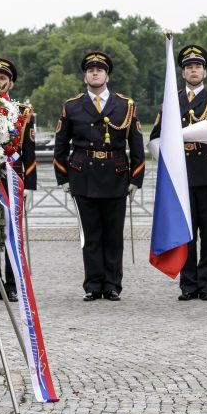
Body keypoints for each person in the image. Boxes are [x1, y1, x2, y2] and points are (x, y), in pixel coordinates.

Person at [53, 51, 145, 301]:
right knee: (90, 235)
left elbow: (136, 145)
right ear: (85, 76)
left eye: (100, 70)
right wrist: (62, 178)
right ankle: (93, 285)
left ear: (107, 75)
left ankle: (113, 284)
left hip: (116, 174)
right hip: (84, 175)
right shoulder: (72, 106)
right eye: (91, 70)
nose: (95, 73)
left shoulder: (125, 105)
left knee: (114, 235)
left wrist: (136, 179)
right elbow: (60, 146)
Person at [150, 44, 207, 301]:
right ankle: (188, 283)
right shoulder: (171, 102)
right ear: (183, 73)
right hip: (180, 174)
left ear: (204, 72)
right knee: (186, 231)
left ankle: (206, 284)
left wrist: (173, 137)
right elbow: (154, 139)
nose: (193, 71)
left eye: (198, 67)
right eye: (189, 67)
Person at [0, 57, 37, 302]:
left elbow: (29, 151)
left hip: (13, 178)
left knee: (12, 234)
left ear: (10, 84)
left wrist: (30, 185)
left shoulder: (23, 112)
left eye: (3, 78)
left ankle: (12, 285)